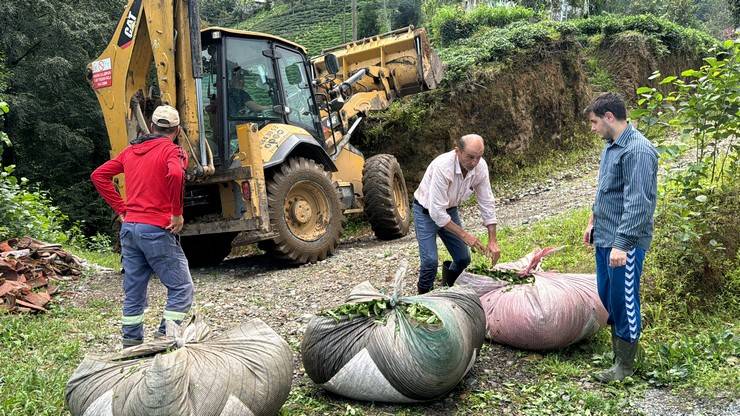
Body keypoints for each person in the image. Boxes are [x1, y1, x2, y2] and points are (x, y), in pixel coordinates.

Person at [91, 104, 194, 349]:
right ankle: (165, 339)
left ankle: (131, 343)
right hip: (156, 230)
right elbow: (177, 176)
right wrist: (177, 214)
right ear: (177, 130)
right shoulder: (173, 151)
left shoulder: (130, 151)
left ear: (151, 126)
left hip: (130, 230)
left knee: (134, 291)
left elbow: (99, 175)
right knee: (181, 288)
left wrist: (122, 209)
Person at [583, 92, 659, 382]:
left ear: (609, 117)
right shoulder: (611, 146)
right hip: (605, 235)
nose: (593, 128)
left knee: (624, 299)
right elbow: (606, 189)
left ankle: (625, 366)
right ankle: (618, 355)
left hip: (624, 243)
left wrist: (623, 245)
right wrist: (592, 219)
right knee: (608, 296)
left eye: (594, 122)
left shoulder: (637, 151)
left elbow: (639, 202)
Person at [413, 134, 501, 294]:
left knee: (463, 259)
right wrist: (465, 235)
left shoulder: (480, 167)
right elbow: (437, 212)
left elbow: (486, 201)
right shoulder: (442, 166)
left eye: (478, 157)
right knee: (430, 262)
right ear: (457, 151)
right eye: (470, 157)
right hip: (426, 212)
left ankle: (449, 287)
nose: (474, 163)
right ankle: (423, 296)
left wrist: (493, 240)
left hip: (449, 210)